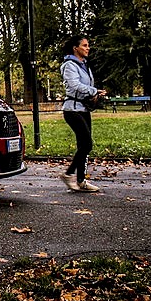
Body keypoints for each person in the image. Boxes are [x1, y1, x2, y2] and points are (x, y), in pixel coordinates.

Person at [59, 35, 107, 192]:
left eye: (88, 45)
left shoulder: (84, 65)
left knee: (83, 146)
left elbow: (83, 86)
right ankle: (68, 174)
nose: (88, 48)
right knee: (87, 144)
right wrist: (94, 90)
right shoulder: (69, 65)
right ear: (76, 48)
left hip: (84, 109)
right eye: (85, 45)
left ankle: (81, 181)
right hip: (72, 110)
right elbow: (74, 85)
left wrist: (94, 96)